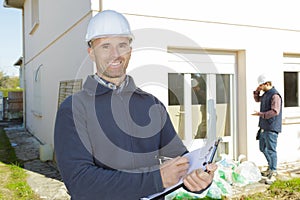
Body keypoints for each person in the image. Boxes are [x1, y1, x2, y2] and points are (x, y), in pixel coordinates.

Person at [54, 10, 217, 200]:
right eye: (105, 46)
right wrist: (155, 179)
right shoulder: (74, 108)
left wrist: (197, 178)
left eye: (122, 45)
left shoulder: (151, 104)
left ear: (130, 50)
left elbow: (181, 161)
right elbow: (80, 183)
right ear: (91, 53)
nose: (115, 54)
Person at [252, 73, 282, 185]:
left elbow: (275, 111)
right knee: (262, 148)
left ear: (267, 83)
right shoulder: (265, 94)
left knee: (271, 150)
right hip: (264, 126)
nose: (260, 87)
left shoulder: (275, 95)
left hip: (272, 127)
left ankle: (273, 171)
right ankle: (271, 167)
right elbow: (257, 99)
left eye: (261, 85)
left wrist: (261, 114)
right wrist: (256, 91)